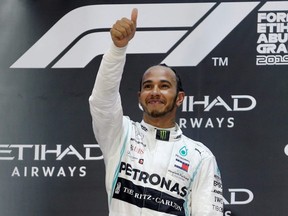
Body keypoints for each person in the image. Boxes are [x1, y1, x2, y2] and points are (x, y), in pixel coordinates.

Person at [89, 8, 223, 216]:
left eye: (164, 86)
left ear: (179, 98)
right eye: (148, 86)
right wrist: (117, 50)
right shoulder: (120, 135)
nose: (155, 92)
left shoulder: (201, 157)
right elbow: (102, 101)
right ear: (140, 96)